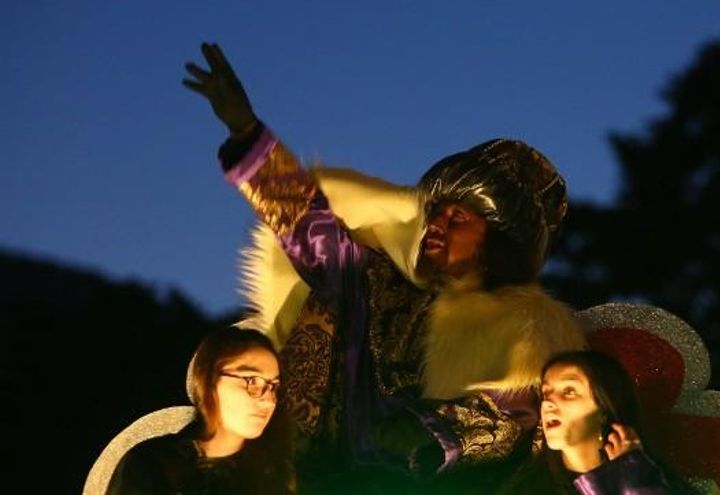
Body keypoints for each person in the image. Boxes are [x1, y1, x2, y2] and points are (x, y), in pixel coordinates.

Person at [183, 43, 586, 492]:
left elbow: (511, 415)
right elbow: (308, 226)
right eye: (435, 213)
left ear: (498, 241)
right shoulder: (376, 283)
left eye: (458, 219)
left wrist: (427, 433)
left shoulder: (526, 326)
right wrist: (246, 132)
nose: (436, 225)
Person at [106, 328, 292, 494]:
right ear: (209, 381)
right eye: (252, 381)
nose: (268, 401)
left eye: (273, 386)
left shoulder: (273, 477)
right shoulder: (152, 466)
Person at [502, 350, 675, 494]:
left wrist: (633, 475)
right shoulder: (525, 487)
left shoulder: (646, 479)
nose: (548, 403)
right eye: (546, 393)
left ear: (604, 407)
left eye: (568, 391)